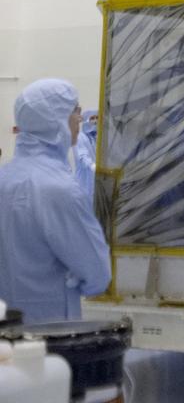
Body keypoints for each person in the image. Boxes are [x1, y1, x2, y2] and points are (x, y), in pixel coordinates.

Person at [0, 79, 111, 322]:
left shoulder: (4, 178)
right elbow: (96, 274)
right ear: (55, 119)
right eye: (75, 111)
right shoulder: (59, 189)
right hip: (48, 330)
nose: (79, 119)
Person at [74, 109, 98, 200]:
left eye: (97, 118)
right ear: (85, 120)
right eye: (92, 118)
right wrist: (92, 166)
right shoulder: (79, 137)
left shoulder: (97, 138)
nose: (95, 121)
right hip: (84, 180)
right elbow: (82, 156)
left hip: (95, 180)